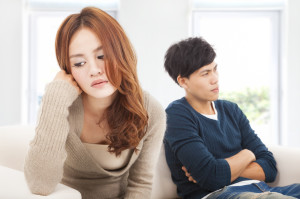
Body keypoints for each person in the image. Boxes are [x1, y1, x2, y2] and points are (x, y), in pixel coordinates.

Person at [24, 7, 166, 199]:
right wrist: (55, 94)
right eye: (79, 63)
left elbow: (140, 184)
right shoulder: (61, 105)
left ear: (121, 53)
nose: (94, 70)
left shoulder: (151, 111)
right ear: (68, 70)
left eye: (102, 56)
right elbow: (40, 184)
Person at [163, 37, 300, 199]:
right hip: (218, 195)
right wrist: (248, 155)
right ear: (183, 81)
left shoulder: (230, 110)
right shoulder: (177, 114)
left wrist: (220, 168)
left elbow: (270, 167)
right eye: (205, 73)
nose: (215, 79)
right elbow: (211, 177)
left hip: (260, 189)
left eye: (215, 69)